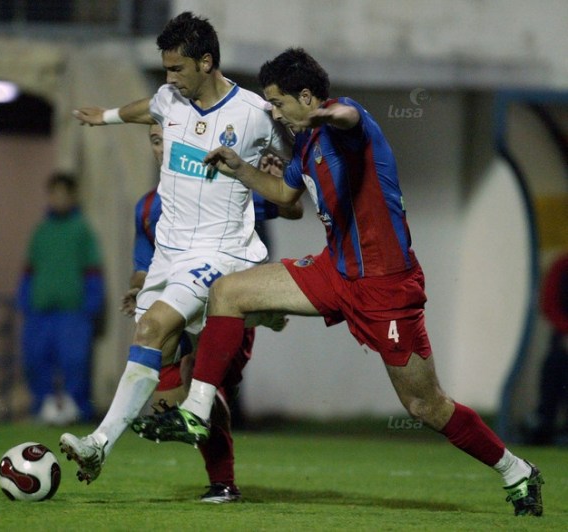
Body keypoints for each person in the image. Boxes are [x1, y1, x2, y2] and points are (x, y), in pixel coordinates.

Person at [132, 48, 544, 517]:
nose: (274, 112)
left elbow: (347, 117)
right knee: (228, 291)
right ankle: (197, 410)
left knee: (424, 406)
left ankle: (517, 470)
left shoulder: (346, 124)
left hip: (386, 288)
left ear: (308, 97)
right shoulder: (306, 145)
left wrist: (328, 113)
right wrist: (240, 169)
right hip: (335, 271)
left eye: (279, 103)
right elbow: (284, 193)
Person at [59, 11, 291, 489]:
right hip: (170, 255)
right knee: (158, 362)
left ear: (206, 62)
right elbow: (146, 108)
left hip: (218, 254)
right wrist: (105, 117)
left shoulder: (254, 114)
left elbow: (290, 189)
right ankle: (200, 458)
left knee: (158, 333)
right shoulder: (169, 100)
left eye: (177, 68)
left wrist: (277, 172)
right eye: (165, 69)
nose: (169, 78)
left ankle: (100, 443)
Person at [120, 124, 300, 502]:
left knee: (199, 380)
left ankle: (223, 483)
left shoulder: (223, 187)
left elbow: (292, 209)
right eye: (155, 140)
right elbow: (143, 266)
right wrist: (138, 288)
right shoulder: (148, 206)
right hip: (179, 311)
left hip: (225, 309)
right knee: (169, 403)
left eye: (168, 138)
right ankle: (201, 419)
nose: (162, 147)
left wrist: (274, 179)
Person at [17, 172, 105, 425]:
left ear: (73, 196)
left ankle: (77, 412)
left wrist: (91, 307)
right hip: (40, 313)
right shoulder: (41, 231)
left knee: (75, 363)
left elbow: (93, 272)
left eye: (64, 194)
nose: (59, 199)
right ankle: (42, 410)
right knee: (36, 362)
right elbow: (29, 271)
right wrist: (25, 301)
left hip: (72, 313)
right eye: (54, 194)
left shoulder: (82, 231)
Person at [522, 251, 568, 445]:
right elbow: (549, 304)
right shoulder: (562, 265)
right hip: (562, 340)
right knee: (555, 367)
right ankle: (545, 423)